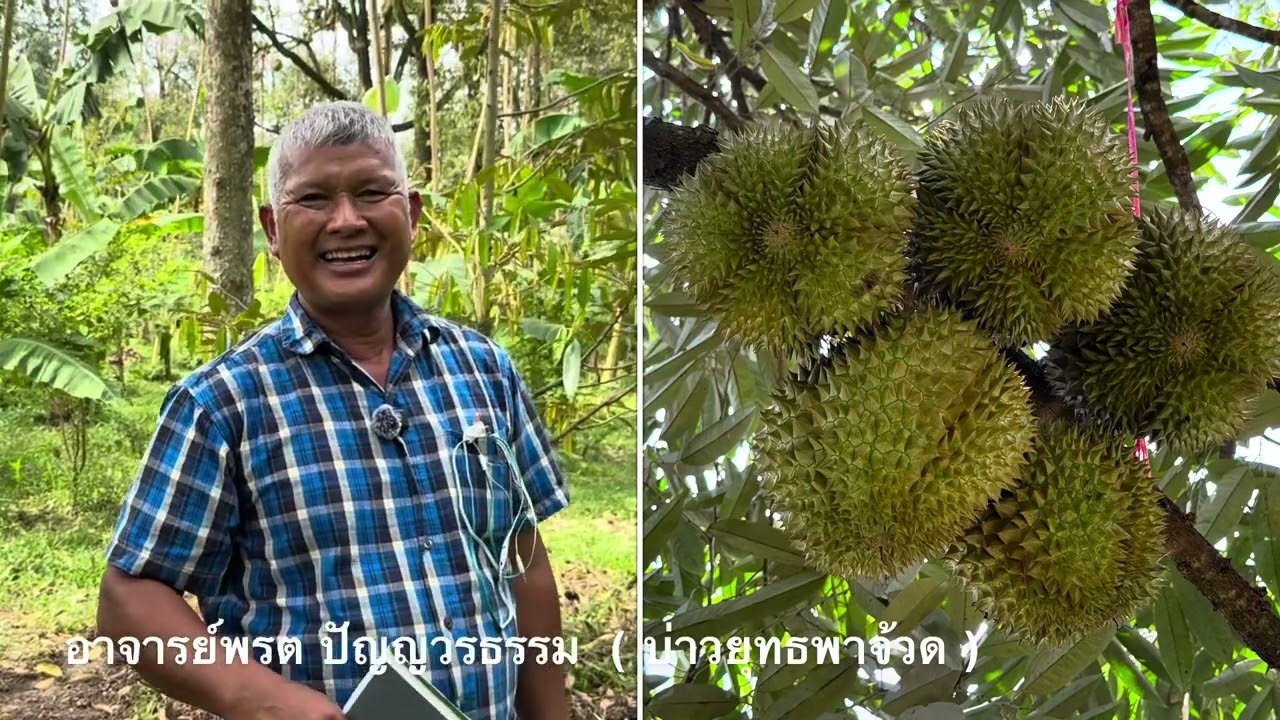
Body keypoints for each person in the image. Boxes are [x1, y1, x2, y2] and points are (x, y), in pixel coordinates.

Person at [95, 101, 572, 720]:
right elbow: (128, 597)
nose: (346, 221)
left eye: (373, 192)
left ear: (413, 212)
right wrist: (269, 702)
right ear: (272, 227)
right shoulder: (224, 403)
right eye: (314, 199)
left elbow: (523, 561)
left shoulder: (483, 369)